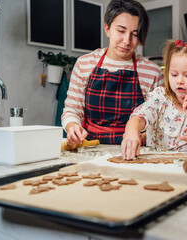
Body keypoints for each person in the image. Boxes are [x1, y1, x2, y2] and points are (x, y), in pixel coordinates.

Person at [62, 0, 164, 145]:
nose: (127, 41)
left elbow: (159, 120)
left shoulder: (152, 72)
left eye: (134, 34)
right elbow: (72, 109)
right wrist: (72, 127)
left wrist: (144, 136)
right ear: (107, 29)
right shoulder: (85, 64)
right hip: (90, 147)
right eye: (121, 31)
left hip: (133, 149)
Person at [121, 39, 187, 160]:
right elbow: (140, 116)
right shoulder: (161, 97)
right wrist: (131, 132)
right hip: (155, 165)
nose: (179, 81)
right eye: (174, 74)